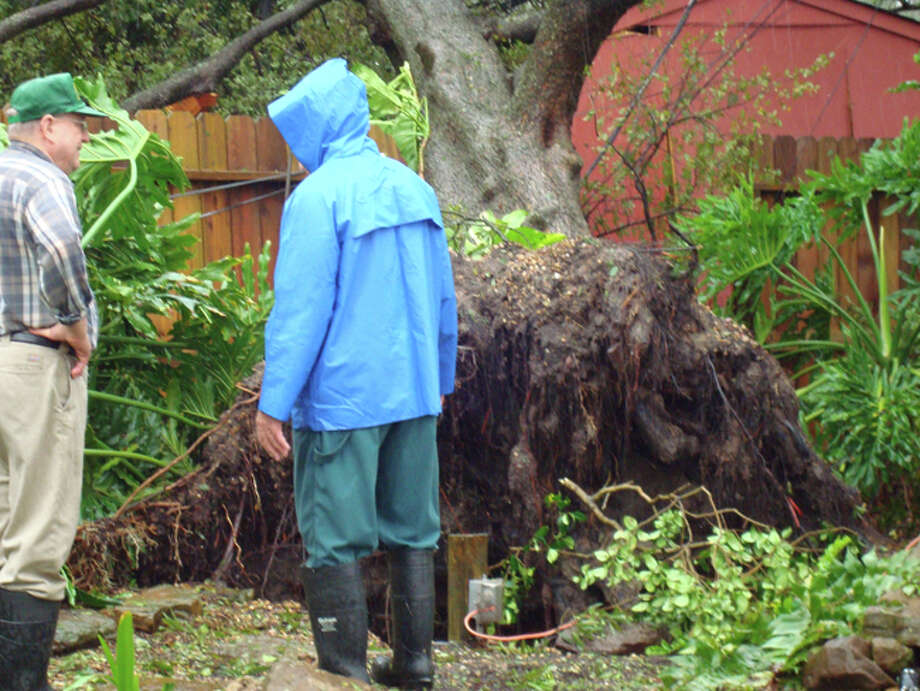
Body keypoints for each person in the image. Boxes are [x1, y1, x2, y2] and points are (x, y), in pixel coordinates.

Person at [255, 58, 457, 689]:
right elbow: (445, 300)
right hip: (416, 395)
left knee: (335, 540)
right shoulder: (413, 188)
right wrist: (440, 379)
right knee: (412, 530)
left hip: (345, 402)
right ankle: (414, 666)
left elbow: (301, 311)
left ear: (314, 130)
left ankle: (343, 675)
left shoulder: (317, 199)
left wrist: (273, 402)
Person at [0, 73, 102, 690]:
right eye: (79, 128)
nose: (85, 140)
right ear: (47, 127)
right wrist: (76, 326)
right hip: (36, 369)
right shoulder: (42, 180)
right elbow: (63, 247)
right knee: (36, 538)